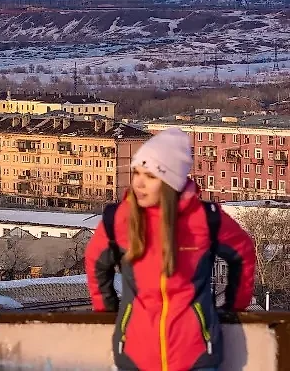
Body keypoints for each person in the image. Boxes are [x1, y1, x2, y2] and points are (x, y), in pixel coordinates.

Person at [86, 127, 256, 371]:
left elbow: (243, 253)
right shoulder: (120, 218)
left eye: (151, 176)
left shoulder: (205, 219)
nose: (139, 183)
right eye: (136, 172)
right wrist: (109, 311)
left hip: (195, 355)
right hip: (136, 356)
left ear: (171, 183)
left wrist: (234, 306)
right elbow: (96, 261)